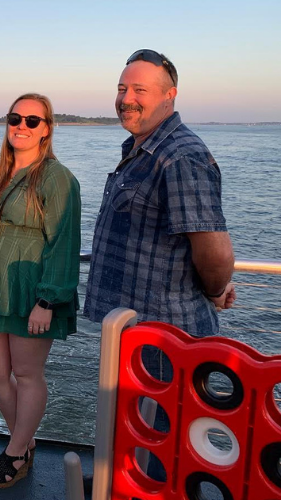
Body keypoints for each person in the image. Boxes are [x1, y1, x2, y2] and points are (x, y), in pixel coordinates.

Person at [83, 49, 236, 481]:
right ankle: (120, 483)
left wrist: (213, 289)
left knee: (162, 444)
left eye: (139, 90)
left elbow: (215, 252)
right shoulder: (141, 148)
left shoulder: (179, 155)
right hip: (134, 331)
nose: (127, 98)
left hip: (167, 337)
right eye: (122, 88)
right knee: (136, 431)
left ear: (169, 95)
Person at [0, 94, 81, 488]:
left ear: (47, 129)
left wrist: (47, 300)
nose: (21, 125)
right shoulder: (0, 170)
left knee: (27, 373)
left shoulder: (56, 177)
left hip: (30, 289)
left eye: (32, 121)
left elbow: (64, 242)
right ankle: (26, 437)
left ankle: (17, 451)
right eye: (15, 118)